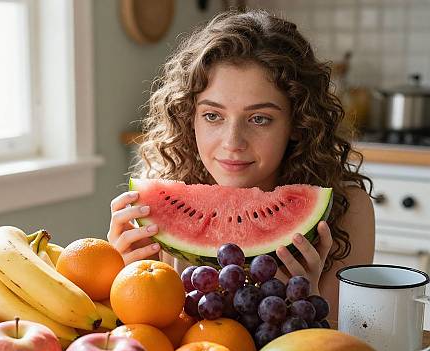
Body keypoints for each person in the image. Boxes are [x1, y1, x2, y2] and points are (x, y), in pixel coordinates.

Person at [107, 9, 375, 326]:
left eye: (259, 118)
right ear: (188, 117)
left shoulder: (349, 211)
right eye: (212, 116)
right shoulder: (156, 204)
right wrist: (126, 279)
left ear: (297, 124)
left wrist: (308, 299)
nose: (233, 142)